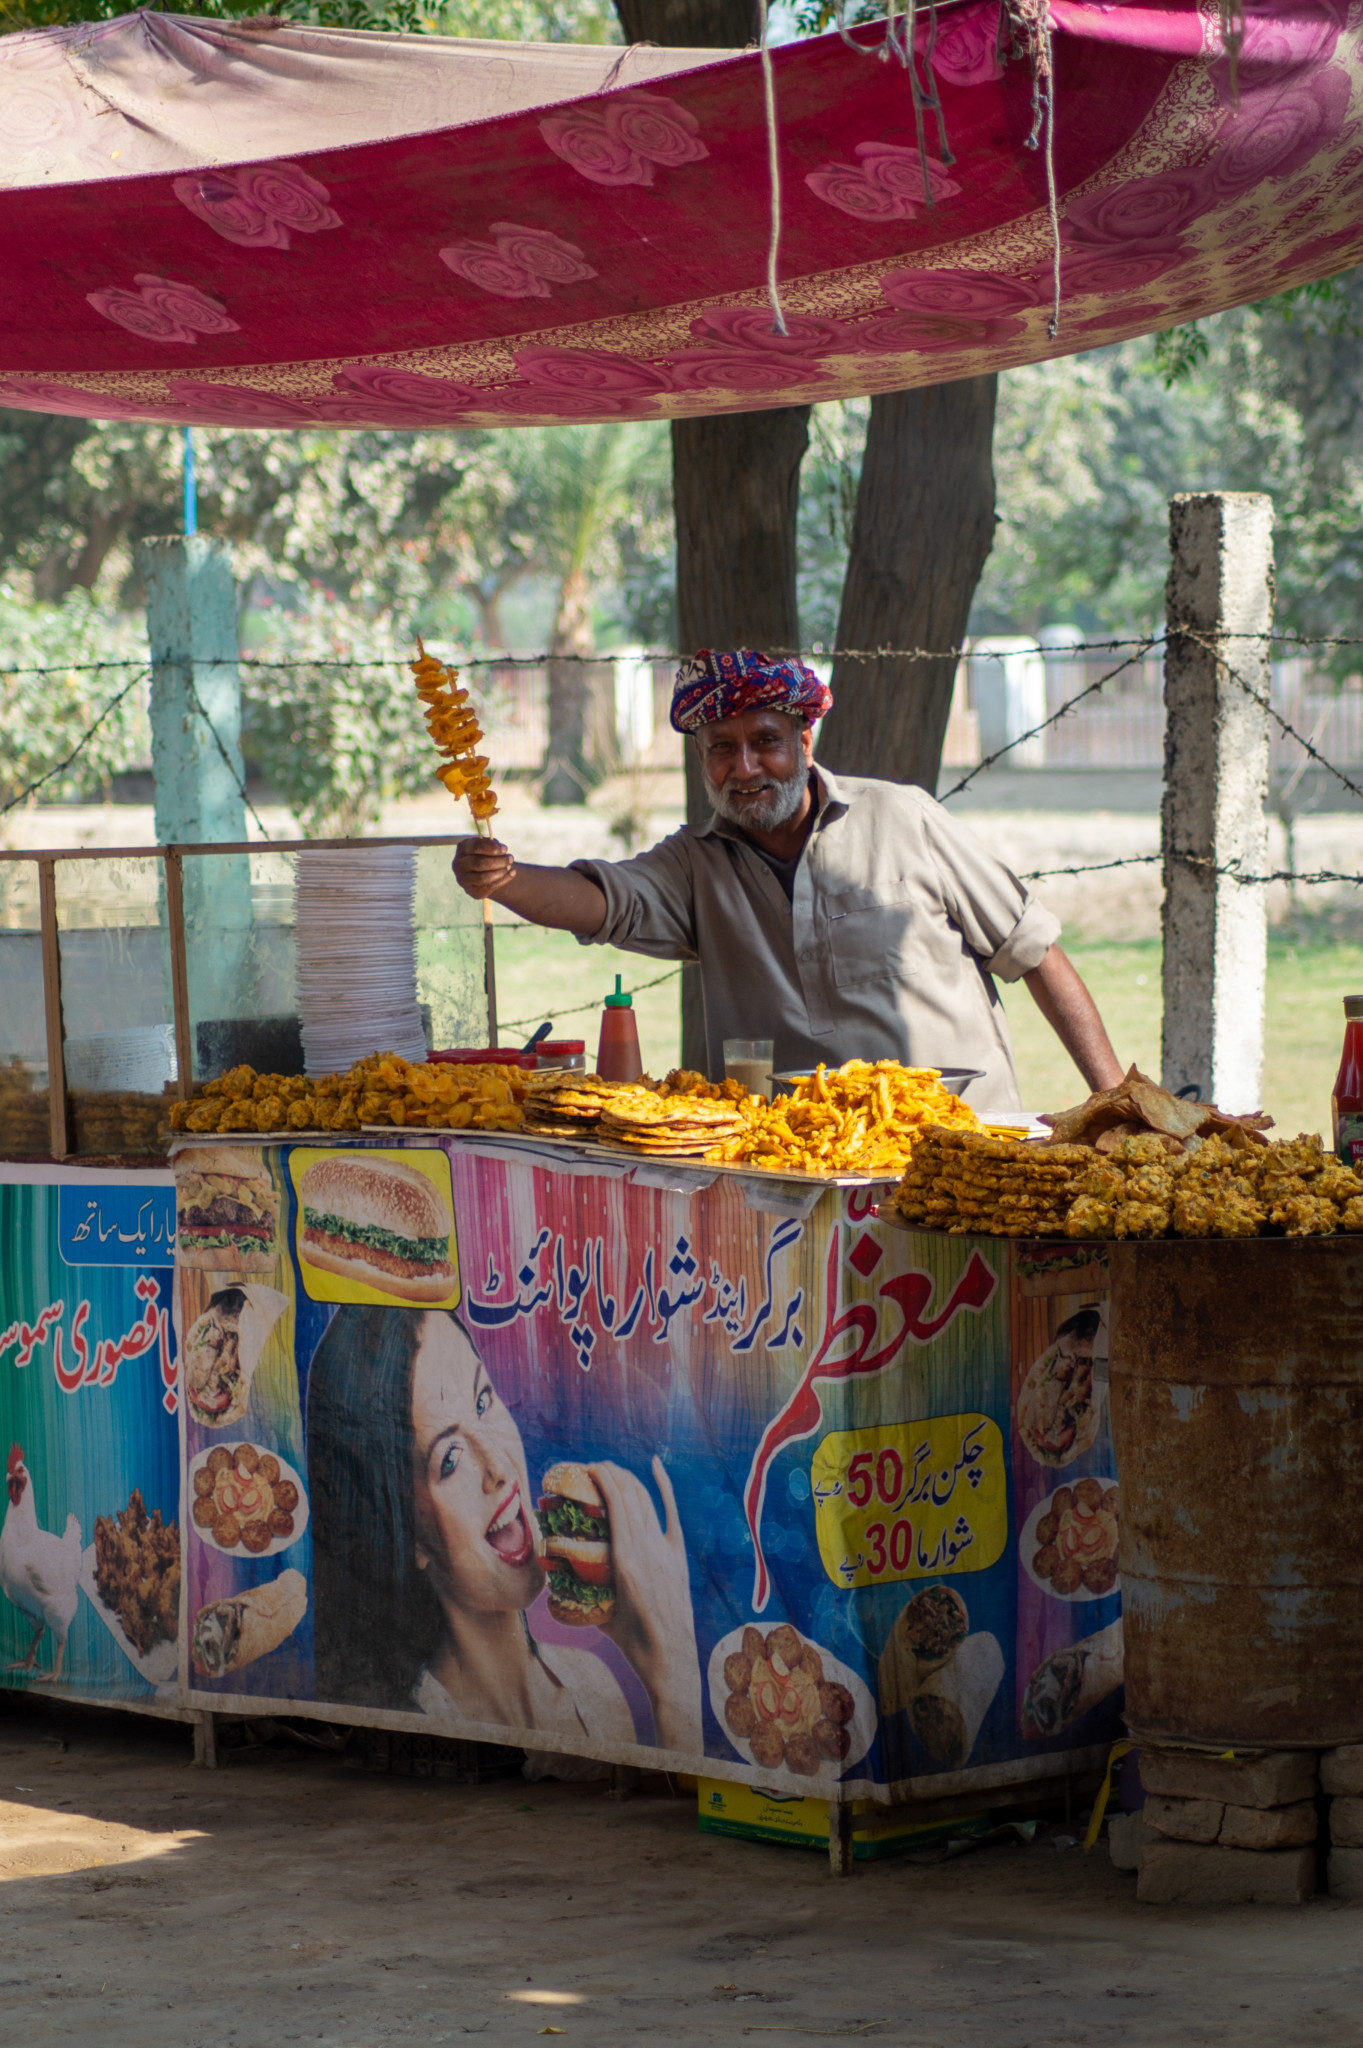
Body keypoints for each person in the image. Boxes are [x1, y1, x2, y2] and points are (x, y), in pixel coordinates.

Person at [452, 649, 1123, 1109]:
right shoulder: (695, 860)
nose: (744, 768)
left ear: (803, 744)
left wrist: (1112, 1100)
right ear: (701, 759)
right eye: (721, 749)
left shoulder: (903, 818)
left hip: (953, 1144)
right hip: (792, 1164)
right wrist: (502, 881)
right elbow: (603, 902)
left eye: (765, 742)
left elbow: (1033, 952)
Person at [307, 1303, 701, 1752]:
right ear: (406, 1534)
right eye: (449, 1459)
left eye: (482, 1401)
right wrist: (675, 1687)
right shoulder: (427, 1732)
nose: (498, 1465)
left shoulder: (595, 1689)